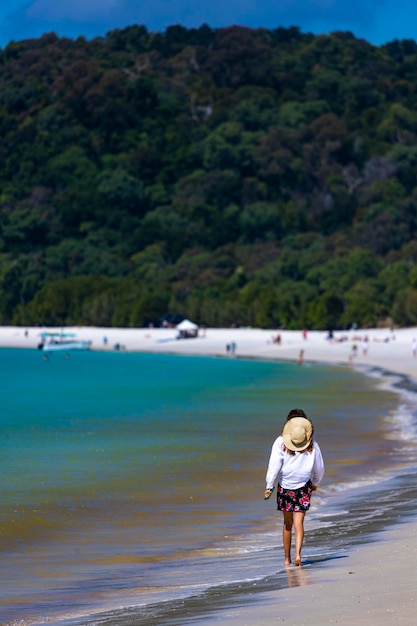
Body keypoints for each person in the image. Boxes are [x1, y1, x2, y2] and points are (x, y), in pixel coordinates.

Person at [264, 408, 325, 567]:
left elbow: (274, 466)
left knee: (287, 524)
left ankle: (286, 559)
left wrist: (269, 486)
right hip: (304, 487)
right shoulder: (312, 443)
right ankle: (298, 554)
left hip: (285, 487)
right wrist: (315, 483)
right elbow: (320, 468)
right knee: (299, 523)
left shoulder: (280, 442)